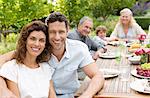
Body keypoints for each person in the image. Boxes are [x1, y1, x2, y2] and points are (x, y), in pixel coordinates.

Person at [0, 12, 104, 98]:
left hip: (73, 94)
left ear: (68, 31)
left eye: (61, 32)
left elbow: (98, 76)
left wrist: (86, 96)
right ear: (47, 32)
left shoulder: (78, 49)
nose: (57, 37)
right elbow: (4, 61)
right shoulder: (38, 48)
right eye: (52, 32)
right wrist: (3, 90)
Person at [0, 21, 57, 98]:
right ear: (25, 40)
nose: (37, 44)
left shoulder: (46, 68)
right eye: (33, 39)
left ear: (45, 44)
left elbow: (52, 96)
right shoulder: (12, 68)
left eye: (41, 40)